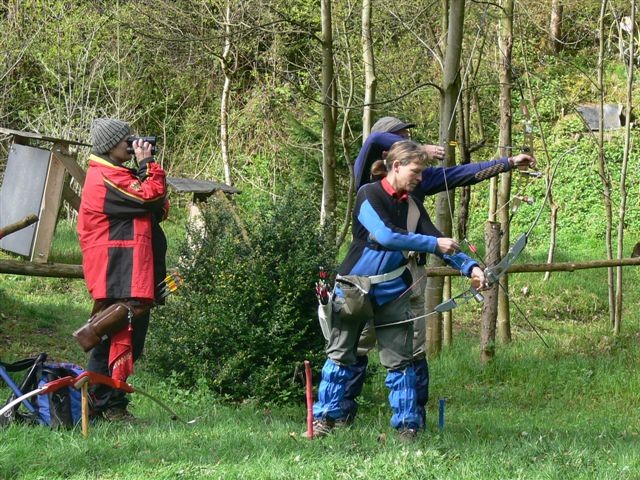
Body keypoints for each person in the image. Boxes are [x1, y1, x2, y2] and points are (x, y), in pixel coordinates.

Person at [341, 116, 536, 428]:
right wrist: (418, 149)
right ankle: (336, 418)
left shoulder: (415, 185)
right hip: (361, 282)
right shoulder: (368, 180)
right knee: (351, 350)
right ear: (393, 162)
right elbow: (374, 142)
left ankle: (411, 420)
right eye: (401, 137)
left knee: (410, 352)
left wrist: (509, 162)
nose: (419, 176)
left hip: (402, 280)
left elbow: (459, 175)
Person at [310, 140, 486, 441]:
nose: (420, 178)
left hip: (393, 290)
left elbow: (437, 238)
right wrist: (433, 244)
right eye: (415, 171)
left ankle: (407, 427)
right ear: (396, 166)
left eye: (421, 172)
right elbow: (386, 236)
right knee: (340, 357)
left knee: (400, 362)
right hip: (354, 289)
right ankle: (324, 420)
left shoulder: (413, 206)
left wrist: (470, 267)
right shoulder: (368, 194)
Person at [77, 118, 169, 422]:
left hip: (133, 270)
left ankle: (111, 404)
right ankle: (98, 405)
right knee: (111, 337)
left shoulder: (117, 174)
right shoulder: (105, 177)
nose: (132, 143)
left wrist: (145, 171)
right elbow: (151, 196)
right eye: (126, 140)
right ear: (109, 145)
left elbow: (160, 207)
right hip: (117, 270)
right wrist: (148, 163)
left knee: (130, 340)